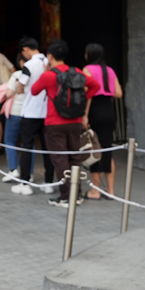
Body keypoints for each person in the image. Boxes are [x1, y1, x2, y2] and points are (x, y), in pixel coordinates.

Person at [31, 40, 100, 208]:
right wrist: (83, 104)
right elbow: (95, 86)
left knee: (60, 159)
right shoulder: (76, 71)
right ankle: (76, 194)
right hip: (75, 121)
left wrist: (46, 74)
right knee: (74, 157)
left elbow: (34, 91)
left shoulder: (48, 75)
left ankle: (66, 197)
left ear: (50, 56)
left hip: (55, 122)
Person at [11, 38, 56, 197]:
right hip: (47, 112)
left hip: (30, 111)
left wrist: (19, 86)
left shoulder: (29, 65)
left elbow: (20, 88)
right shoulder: (49, 61)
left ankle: (25, 183)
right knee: (48, 148)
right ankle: (49, 182)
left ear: (25, 49)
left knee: (27, 147)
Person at [83, 43, 123, 200]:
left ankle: (95, 190)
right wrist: (106, 90)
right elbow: (118, 93)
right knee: (107, 150)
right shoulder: (110, 70)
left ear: (89, 55)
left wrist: (85, 116)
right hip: (109, 111)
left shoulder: (88, 70)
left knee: (94, 150)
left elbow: (88, 95)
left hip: (95, 111)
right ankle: (111, 191)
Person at [1, 54, 35, 182]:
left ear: (21, 62)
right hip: (30, 113)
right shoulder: (37, 75)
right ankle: (29, 173)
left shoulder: (17, 75)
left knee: (10, 140)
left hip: (15, 111)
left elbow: (9, 93)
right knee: (29, 143)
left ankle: (13, 169)